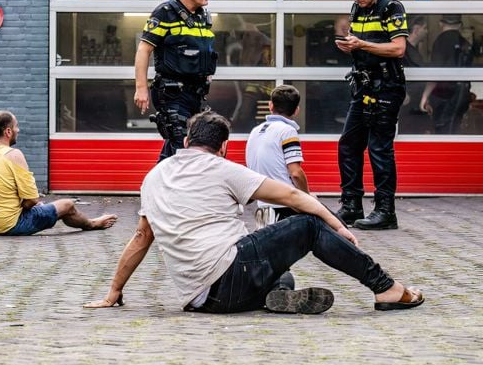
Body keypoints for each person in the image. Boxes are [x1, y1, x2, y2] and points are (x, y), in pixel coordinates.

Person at [85, 111, 424, 315]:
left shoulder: (154, 176)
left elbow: (142, 237)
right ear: (224, 147)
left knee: (282, 273)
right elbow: (293, 195)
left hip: (201, 300)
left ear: (186, 141)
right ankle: (386, 288)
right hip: (231, 275)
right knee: (305, 225)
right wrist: (337, 225)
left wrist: (113, 291)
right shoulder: (223, 168)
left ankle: (276, 296)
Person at [334, 0, 408, 230]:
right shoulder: (357, 9)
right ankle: (352, 206)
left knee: (379, 148)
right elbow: (363, 45)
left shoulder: (391, 8)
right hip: (363, 86)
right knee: (349, 144)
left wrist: (362, 45)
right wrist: (349, 46)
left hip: (387, 86)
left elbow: (398, 49)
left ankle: (386, 211)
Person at [0, 110, 118, 235]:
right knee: (67, 205)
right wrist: (29, 205)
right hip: (7, 225)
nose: (18, 130)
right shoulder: (13, 155)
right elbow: (32, 200)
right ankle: (92, 224)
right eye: (16, 126)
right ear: (8, 131)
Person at [134, 0, 218, 161]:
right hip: (172, 94)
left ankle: (156, 188)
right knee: (185, 148)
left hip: (195, 93)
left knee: (179, 147)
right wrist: (141, 87)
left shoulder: (202, 16)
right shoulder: (165, 13)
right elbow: (144, 49)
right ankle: (179, 191)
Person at [246, 85, 308, 228]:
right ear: (297, 110)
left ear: (270, 105)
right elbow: (296, 173)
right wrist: (307, 198)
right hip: (285, 207)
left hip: (262, 207)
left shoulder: (255, 131)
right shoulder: (288, 131)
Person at [420, 15, 473, 134]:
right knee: (453, 130)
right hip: (461, 94)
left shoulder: (441, 41)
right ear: (460, 25)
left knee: (442, 131)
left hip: (444, 95)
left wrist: (425, 96)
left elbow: (436, 71)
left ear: (440, 24)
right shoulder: (465, 43)